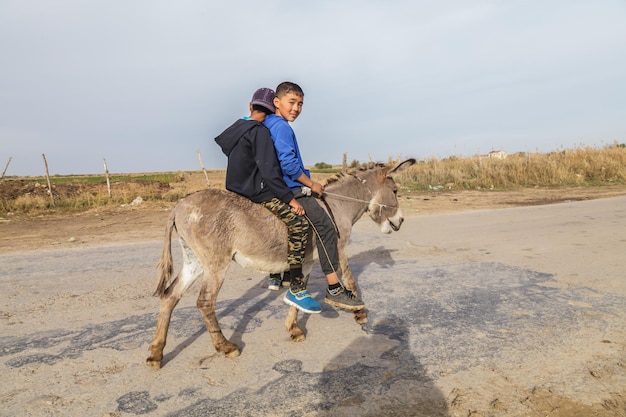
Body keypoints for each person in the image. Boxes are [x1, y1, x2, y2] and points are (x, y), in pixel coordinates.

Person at [214, 87, 321, 314]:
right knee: (298, 224)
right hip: (257, 191)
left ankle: (275, 277)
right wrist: (289, 199)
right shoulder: (260, 132)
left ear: (250, 106)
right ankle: (297, 286)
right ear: (273, 108)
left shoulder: (236, 128)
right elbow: (270, 172)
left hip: (235, 188)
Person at [264, 81, 365, 311]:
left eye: (300, 104)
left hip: (277, 185)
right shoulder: (282, 127)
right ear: (277, 102)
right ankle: (334, 288)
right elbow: (289, 166)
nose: (297, 108)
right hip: (291, 187)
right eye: (292, 102)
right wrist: (312, 184)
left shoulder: (269, 123)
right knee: (326, 227)